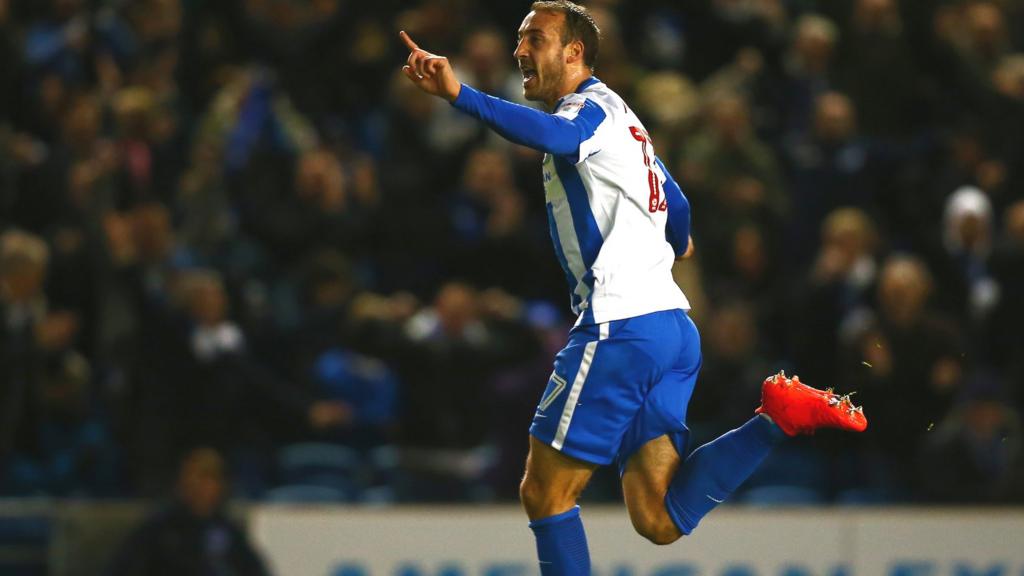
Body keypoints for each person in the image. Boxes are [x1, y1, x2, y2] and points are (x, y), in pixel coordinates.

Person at [399, 2, 867, 573]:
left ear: (574, 52)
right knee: (658, 518)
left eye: (535, 38)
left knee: (545, 494)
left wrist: (459, 94)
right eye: (519, 39)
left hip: (620, 327)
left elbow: (556, 136)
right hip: (671, 330)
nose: (520, 50)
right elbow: (679, 202)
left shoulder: (588, 110)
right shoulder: (626, 121)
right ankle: (777, 420)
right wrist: (678, 237)